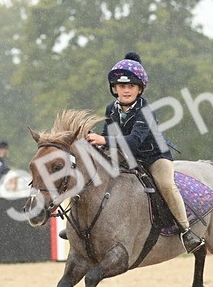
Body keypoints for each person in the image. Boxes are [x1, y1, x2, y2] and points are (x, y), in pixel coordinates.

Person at [85, 52, 205, 253]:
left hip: (154, 158)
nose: (126, 90)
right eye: (122, 86)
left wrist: (104, 140)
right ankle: (87, 225)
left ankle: (186, 231)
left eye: (131, 86)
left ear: (139, 89)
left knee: (166, 185)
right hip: (127, 157)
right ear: (114, 88)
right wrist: (92, 143)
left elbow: (132, 141)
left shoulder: (145, 110)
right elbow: (108, 137)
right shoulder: (110, 109)